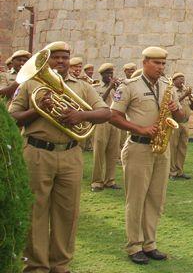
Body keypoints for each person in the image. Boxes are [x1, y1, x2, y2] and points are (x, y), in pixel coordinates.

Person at [9, 41, 111, 273]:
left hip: (70, 154)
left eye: (65, 57)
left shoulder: (83, 86)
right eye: (55, 57)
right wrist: (37, 109)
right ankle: (36, 266)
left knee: (68, 212)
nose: (61, 61)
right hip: (37, 153)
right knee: (35, 211)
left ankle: (60, 265)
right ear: (45, 60)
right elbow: (13, 116)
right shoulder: (29, 83)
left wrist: (80, 115)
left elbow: (105, 112)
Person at [110, 46, 186, 264]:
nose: (161, 68)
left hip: (162, 149)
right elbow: (113, 116)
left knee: (155, 198)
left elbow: (181, 117)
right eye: (156, 63)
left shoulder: (167, 86)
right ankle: (134, 245)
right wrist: (139, 129)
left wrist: (175, 108)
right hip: (138, 147)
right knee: (136, 199)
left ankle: (150, 243)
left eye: (163, 64)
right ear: (144, 63)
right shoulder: (129, 86)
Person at [91, 63, 122, 192]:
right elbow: (99, 103)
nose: (110, 76)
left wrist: (118, 88)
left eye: (111, 73)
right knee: (99, 152)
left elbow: (121, 102)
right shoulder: (96, 88)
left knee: (113, 152)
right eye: (107, 74)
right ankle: (97, 181)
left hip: (114, 122)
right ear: (102, 75)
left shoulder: (117, 88)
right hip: (101, 123)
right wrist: (109, 88)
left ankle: (110, 180)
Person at [170, 72, 193, 180]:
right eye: (180, 79)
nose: (182, 81)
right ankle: (172, 172)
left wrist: (190, 98)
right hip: (175, 123)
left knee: (182, 148)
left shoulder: (186, 92)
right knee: (173, 147)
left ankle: (180, 170)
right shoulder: (172, 91)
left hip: (185, 123)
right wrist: (184, 95)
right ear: (174, 80)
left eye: (183, 79)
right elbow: (174, 103)